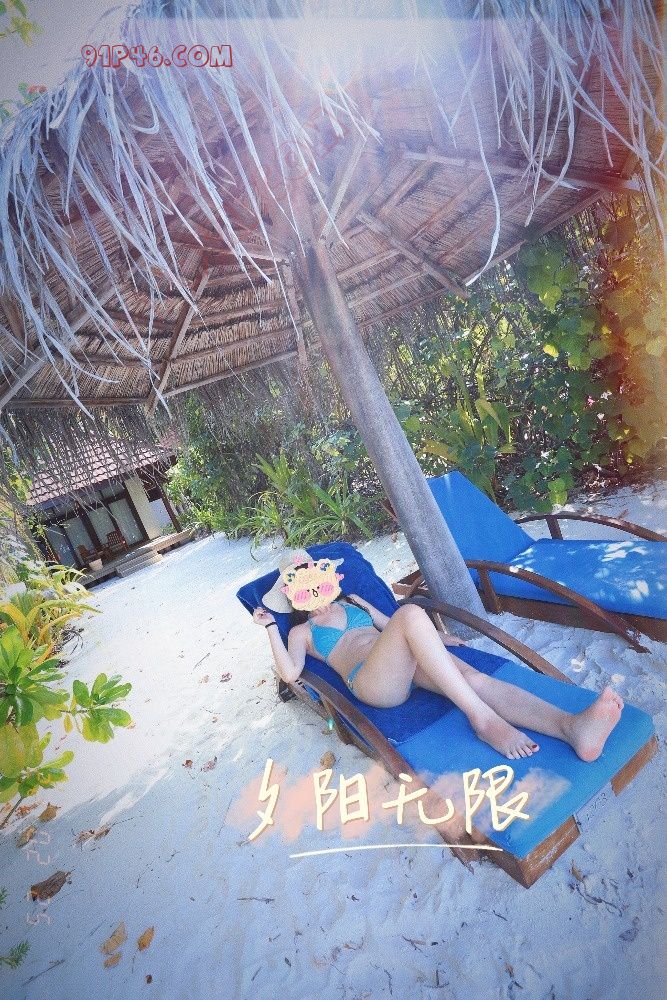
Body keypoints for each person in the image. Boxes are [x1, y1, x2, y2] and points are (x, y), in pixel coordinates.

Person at [253, 550, 624, 762]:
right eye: (303, 588)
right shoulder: (302, 633)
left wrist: (437, 639)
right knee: (412, 613)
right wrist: (271, 627)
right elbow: (290, 673)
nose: (315, 594)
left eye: (315, 581)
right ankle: (482, 719)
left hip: (404, 660)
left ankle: (572, 728)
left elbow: (389, 626)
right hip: (372, 682)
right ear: (292, 596)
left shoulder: (353, 602)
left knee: (475, 678)